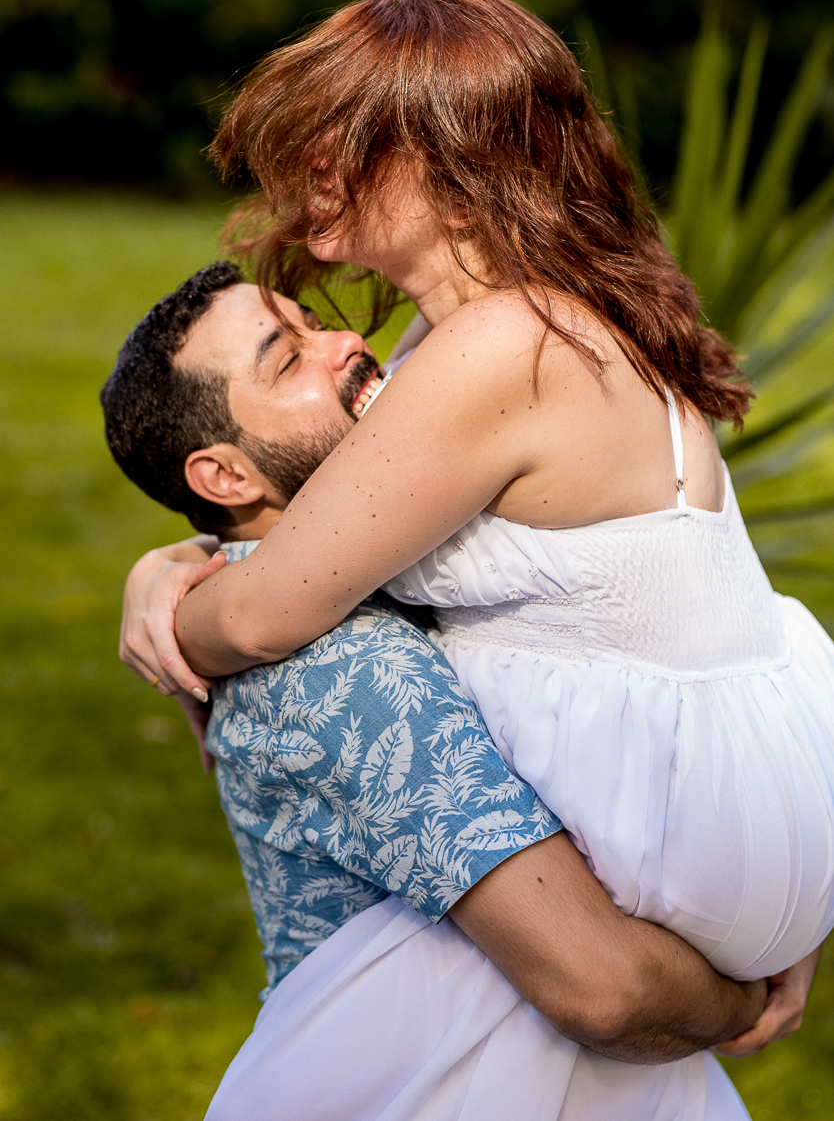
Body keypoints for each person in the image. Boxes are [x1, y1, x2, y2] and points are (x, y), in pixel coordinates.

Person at [120, 0, 834, 1105]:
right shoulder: (516, 317)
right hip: (713, 817)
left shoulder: (504, 341)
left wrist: (163, 607)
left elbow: (261, 615)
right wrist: (174, 557)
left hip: (648, 843)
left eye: (344, 148)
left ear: (452, 162)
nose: (311, 180)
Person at [104, 264, 805, 1121]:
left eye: (314, 323)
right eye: (287, 361)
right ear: (224, 479)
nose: (346, 344)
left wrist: (165, 568)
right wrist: (745, 995)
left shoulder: (375, 567)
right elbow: (604, 991)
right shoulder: (340, 666)